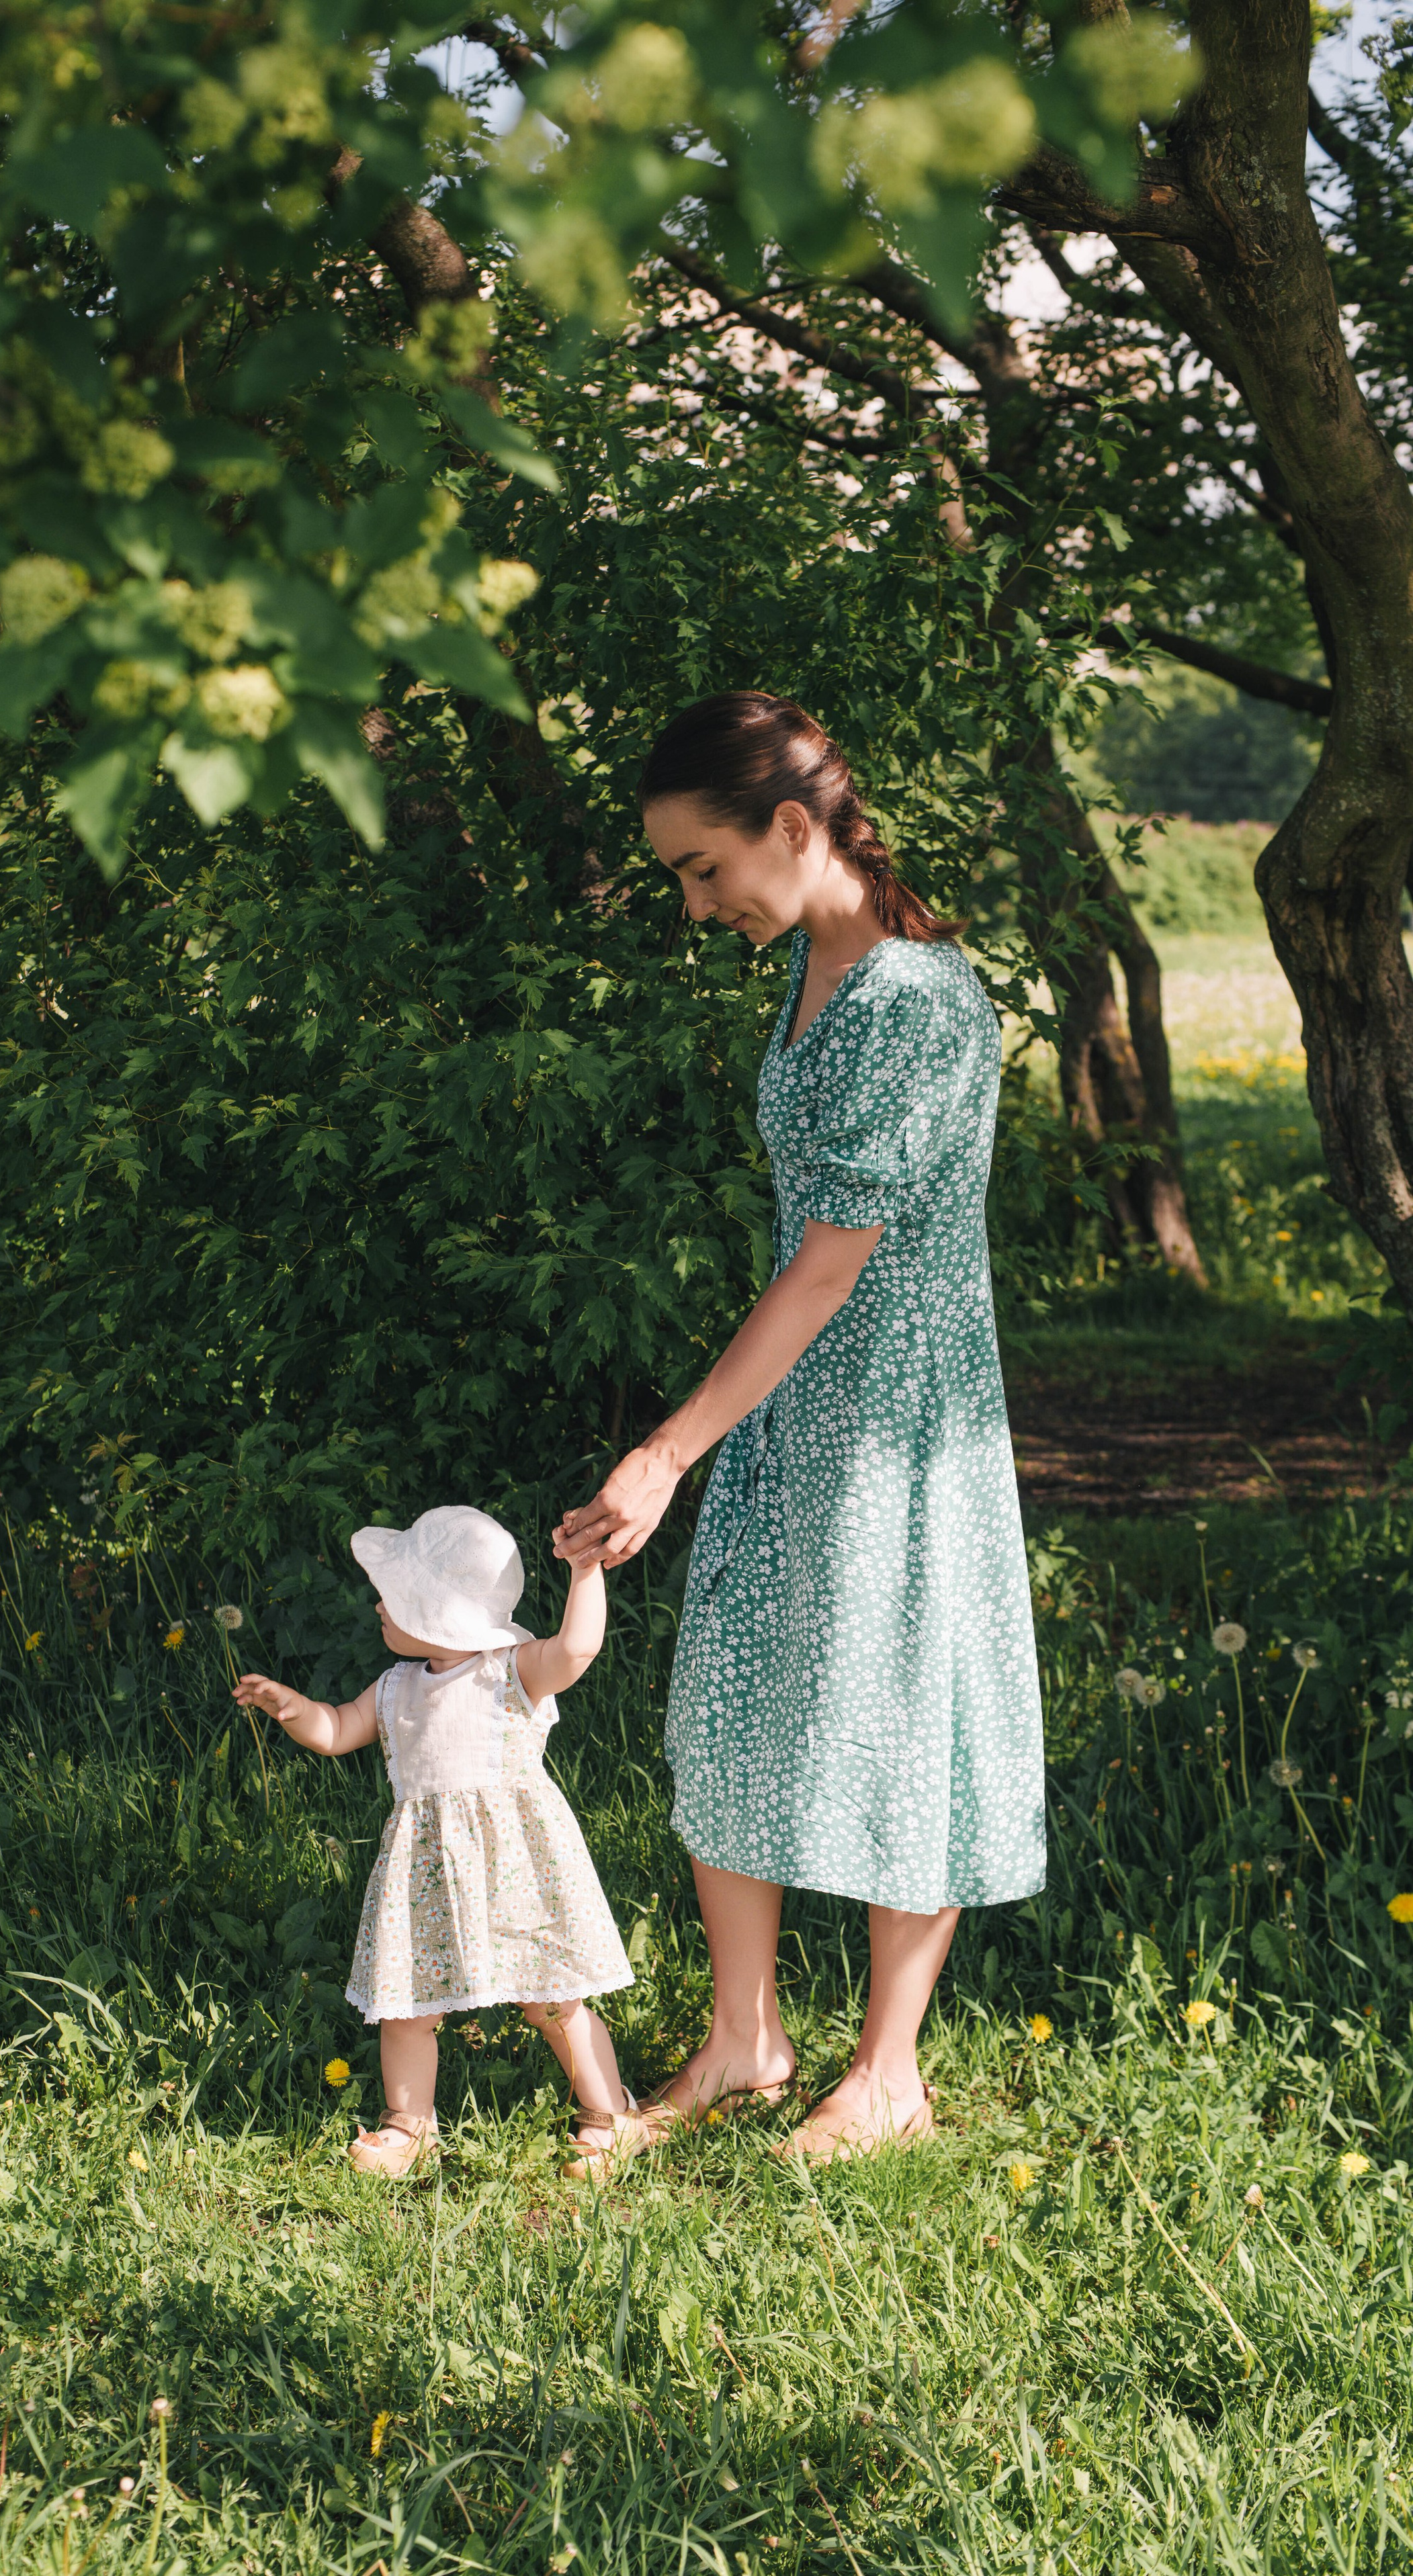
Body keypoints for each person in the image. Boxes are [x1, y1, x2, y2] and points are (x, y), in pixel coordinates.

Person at [554, 691, 1045, 2162]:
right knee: (729, 1696)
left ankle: (886, 2071)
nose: (695, 903)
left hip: (898, 1406)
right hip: (795, 1394)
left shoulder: (916, 999)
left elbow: (834, 1260)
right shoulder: (813, 970)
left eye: (702, 869)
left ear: (789, 826)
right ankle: (745, 2037)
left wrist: (662, 1449)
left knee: (905, 1710)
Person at [233, 1504, 649, 2178]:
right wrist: (292, 1708)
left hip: (516, 1870)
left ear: (434, 1611)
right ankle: (409, 2126)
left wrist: (584, 1571)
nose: (377, 1606)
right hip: (425, 1877)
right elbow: (337, 1730)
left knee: (552, 1999)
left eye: (392, 1597)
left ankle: (610, 2115)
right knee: (406, 2004)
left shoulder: (510, 1671)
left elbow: (578, 1648)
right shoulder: (396, 1686)